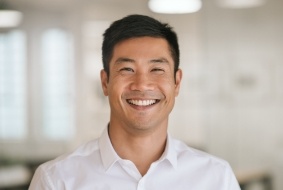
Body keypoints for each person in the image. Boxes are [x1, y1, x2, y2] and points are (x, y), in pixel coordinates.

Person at [29, 14, 241, 190]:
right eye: (127, 69)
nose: (142, 84)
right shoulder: (56, 180)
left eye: (157, 69)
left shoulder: (216, 178)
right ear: (105, 82)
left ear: (177, 83)